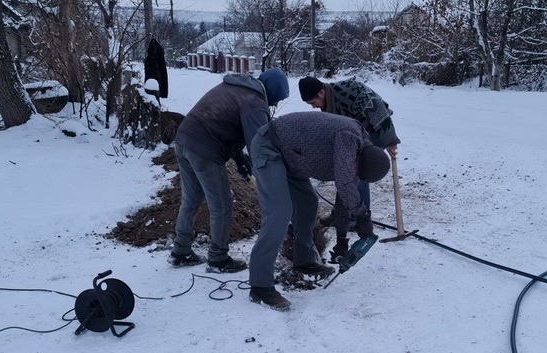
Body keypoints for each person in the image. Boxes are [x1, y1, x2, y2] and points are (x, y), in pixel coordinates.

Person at [247, 112, 391, 310]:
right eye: (356, 170)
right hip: (270, 147)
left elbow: (344, 194)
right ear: (360, 159)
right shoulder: (348, 137)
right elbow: (344, 182)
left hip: (293, 159)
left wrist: (342, 240)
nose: (355, 173)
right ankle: (260, 286)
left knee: (308, 204)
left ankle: (304, 260)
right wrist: (363, 216)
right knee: (279, 212)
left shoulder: (361, 153)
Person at [169, 68, 289, 273]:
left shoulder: (235, 86)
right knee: (222, 205)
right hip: (205, 149)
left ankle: (181, 251)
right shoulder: (254, 102)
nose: (274, 105)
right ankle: (218, 258)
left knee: (190, 200)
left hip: (183, 141)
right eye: (276, 100)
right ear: (272, 91)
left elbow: (225, 124)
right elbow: (258, 144)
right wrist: (271, 174)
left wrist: (240, 159)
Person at [298, 76, 401, 260]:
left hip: (374, 129)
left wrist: (390, 140)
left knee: (357, 173)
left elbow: (377, 110)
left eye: (313, 102)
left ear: (322, 92)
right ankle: (343, 214)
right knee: (344, 171)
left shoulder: (350, 91)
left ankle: (359, 219)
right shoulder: (327, 103)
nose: (313, 106)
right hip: (354, 132)